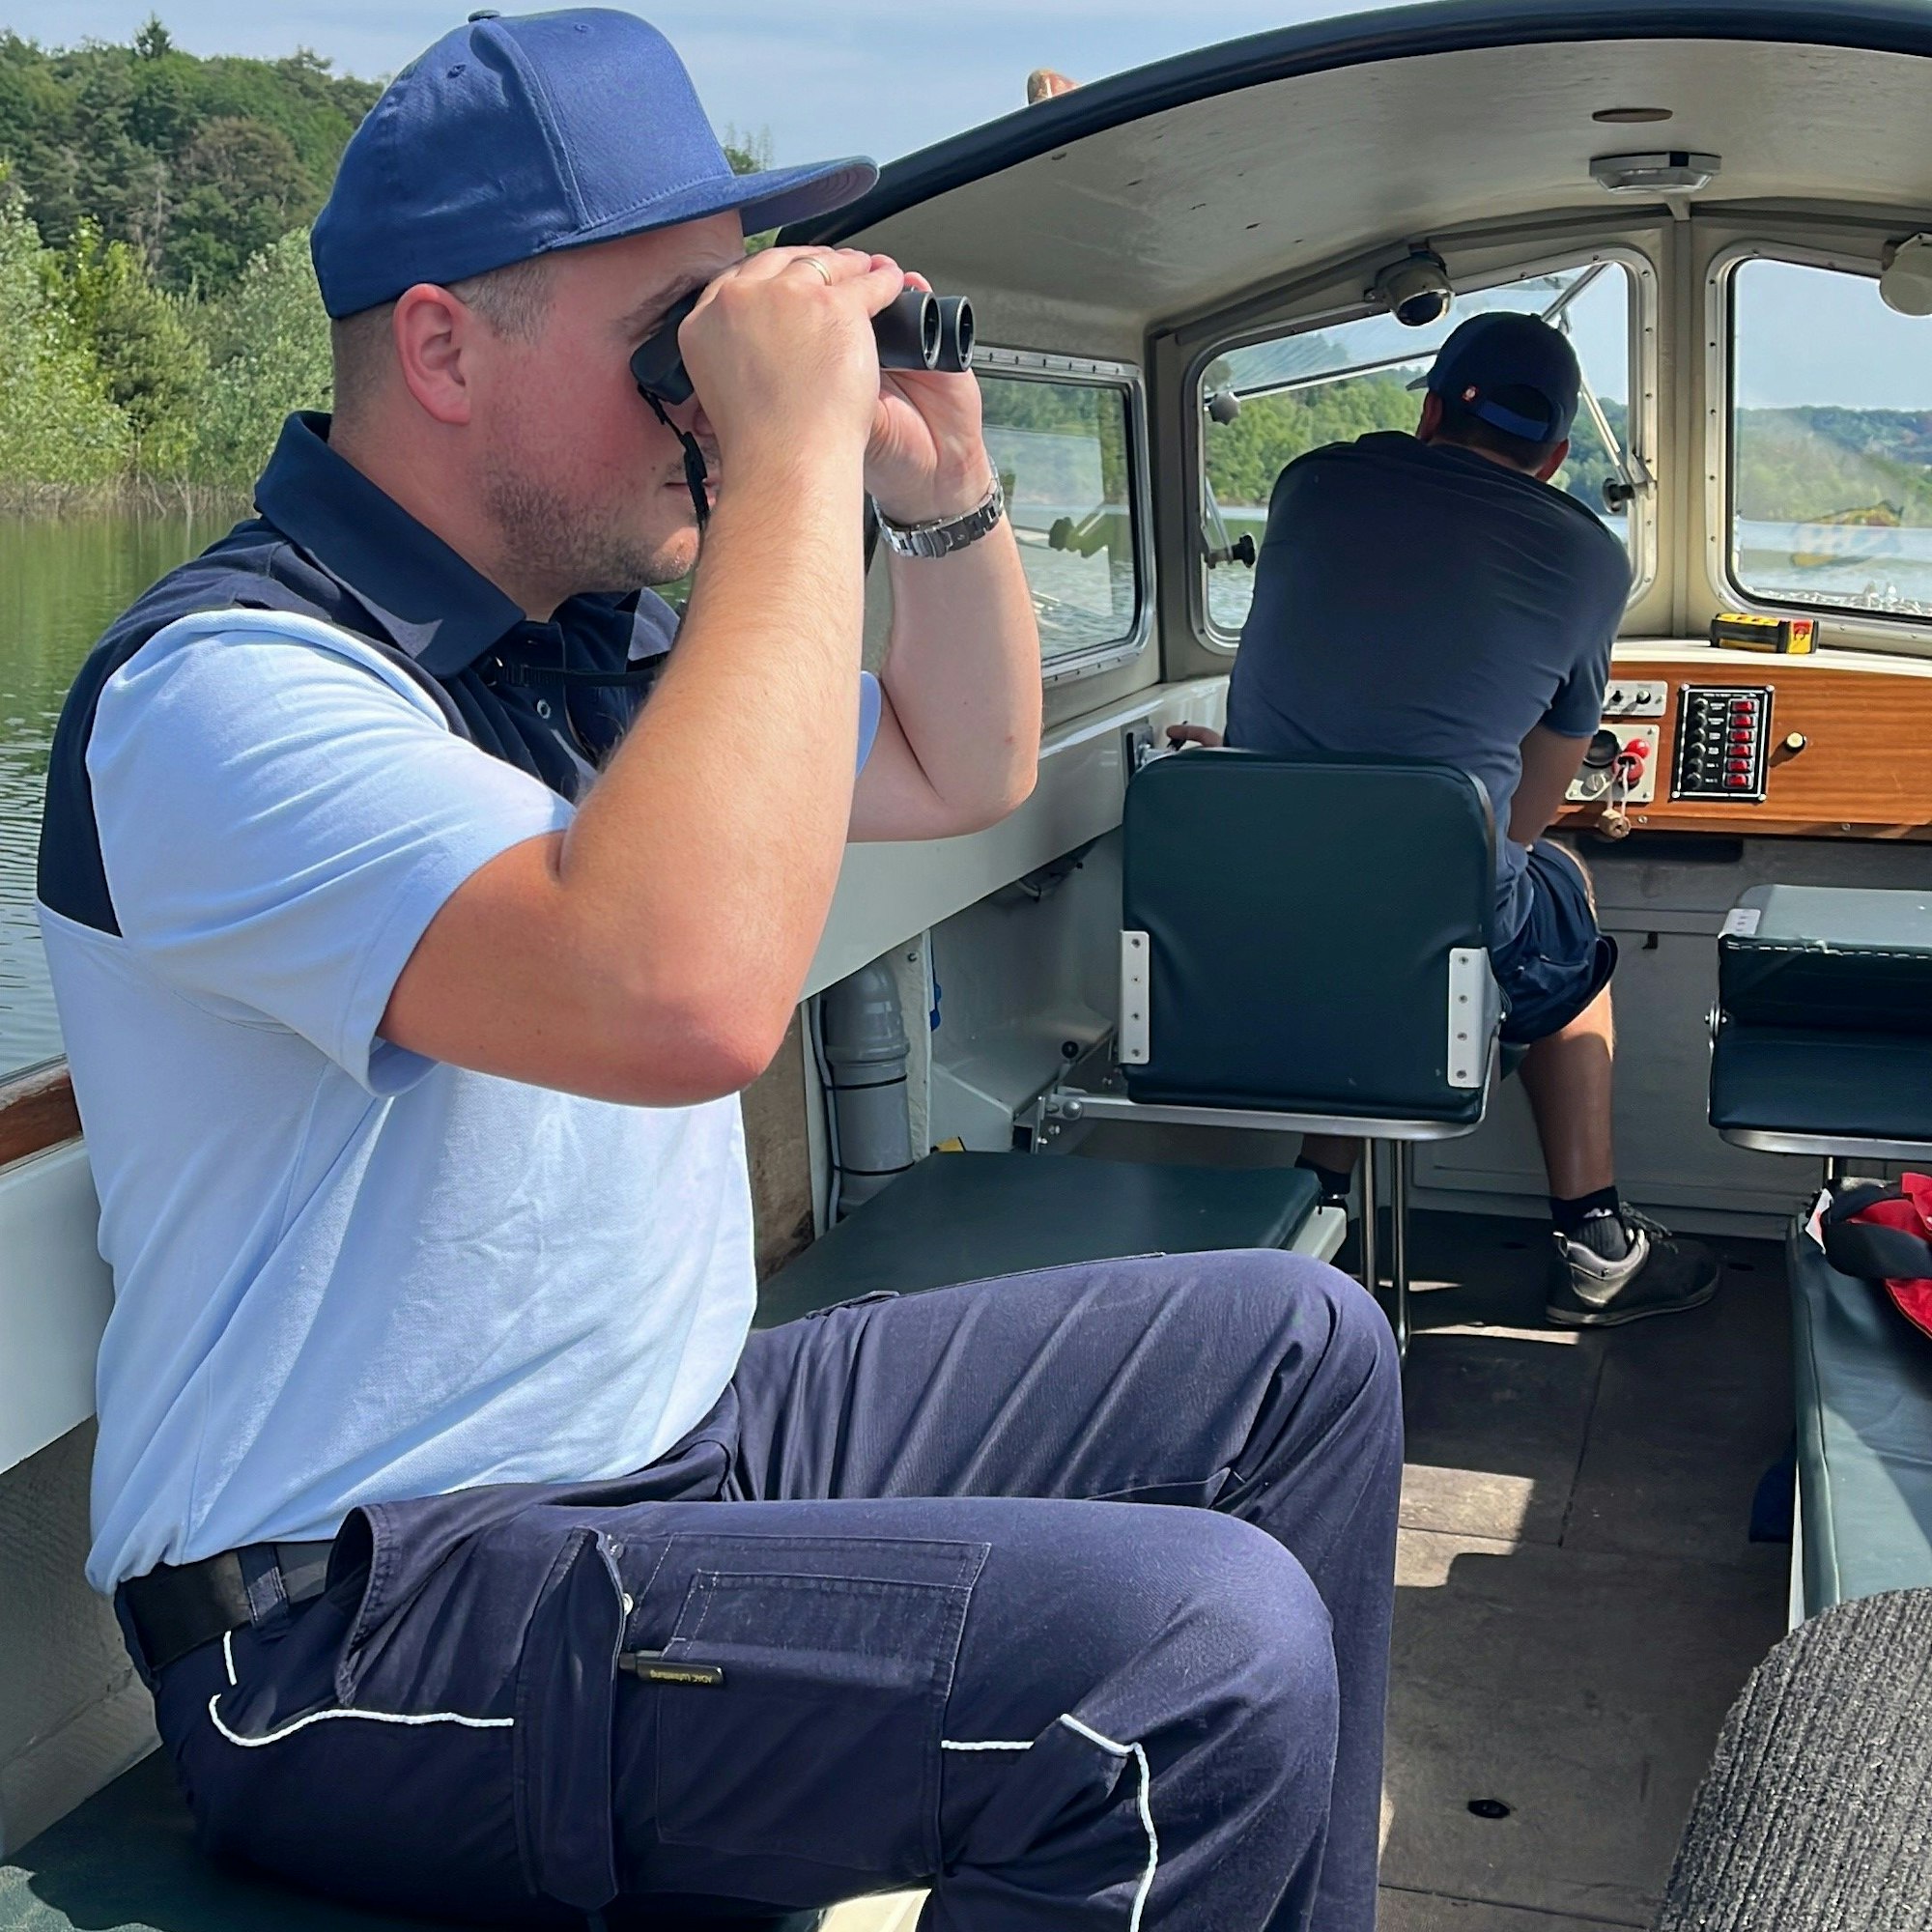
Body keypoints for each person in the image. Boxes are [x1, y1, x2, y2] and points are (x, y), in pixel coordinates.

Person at [37, 14, 1401, 1931]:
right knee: (1188, 1652)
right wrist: (779, 466)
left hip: (675, 1449)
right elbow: (680, 1000)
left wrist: (927, 481)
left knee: (1297, 1352)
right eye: (671, 347)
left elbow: (963, 755)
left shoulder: (583, 658)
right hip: (357, 1623)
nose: (709, 396)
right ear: (440, 346)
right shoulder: (226, 698)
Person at [1183, 312, 1717, 1328]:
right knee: (1555, 890)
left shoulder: (1308, 483)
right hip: (1416, 923)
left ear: (1429, 410)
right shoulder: (1589, 559)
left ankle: (1320, 1192)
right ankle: (1593, 1238)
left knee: (1367, 919)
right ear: (1557, 456)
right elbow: (1529, 811)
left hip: (1239, 911)